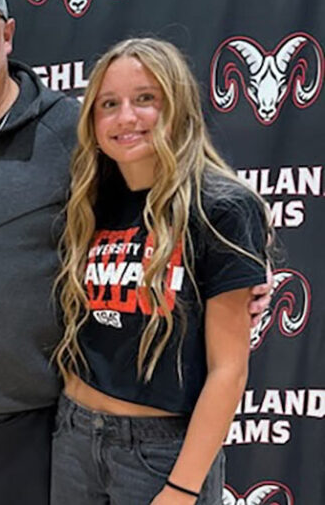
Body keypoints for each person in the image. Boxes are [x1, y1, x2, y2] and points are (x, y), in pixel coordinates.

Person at [0, 0, 272, 505]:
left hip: (36, 431)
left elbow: (173, 197)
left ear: (7, 34)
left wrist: (238, 278)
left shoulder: (72, 134)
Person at [50, 38, 271, 504]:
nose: (126, 117)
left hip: (160, 453)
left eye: (145, 99)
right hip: (73, 436)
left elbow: (228, 371)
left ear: (178, 105)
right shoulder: (89, 201)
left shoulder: (222, 208)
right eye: (109, 104)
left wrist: (182, 488)